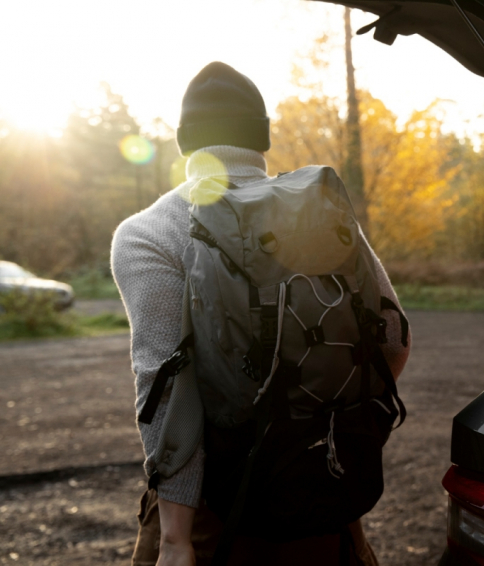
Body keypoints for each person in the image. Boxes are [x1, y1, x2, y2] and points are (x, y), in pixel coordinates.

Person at [111, 61, 411, 566]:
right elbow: (393, 341)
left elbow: (167, 387)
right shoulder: (319, 213)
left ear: (186, 141)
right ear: (262, 137)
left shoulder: (149, 231)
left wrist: (175, 540)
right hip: (325, 495)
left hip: (214, 511)